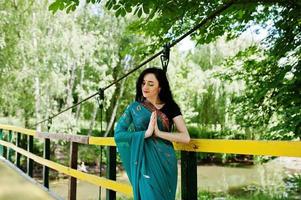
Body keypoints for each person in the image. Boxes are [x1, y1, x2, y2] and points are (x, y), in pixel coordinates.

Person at [114, 67, 190, 200]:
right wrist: (146, 133)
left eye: (151, 84)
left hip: (166, 162)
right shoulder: (134, 108)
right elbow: (118, 134)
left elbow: (185, 137)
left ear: (160, 88)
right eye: (143, 83)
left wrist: (159, 133)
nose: (145, 87)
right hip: (144, 163)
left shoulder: (171, 107)